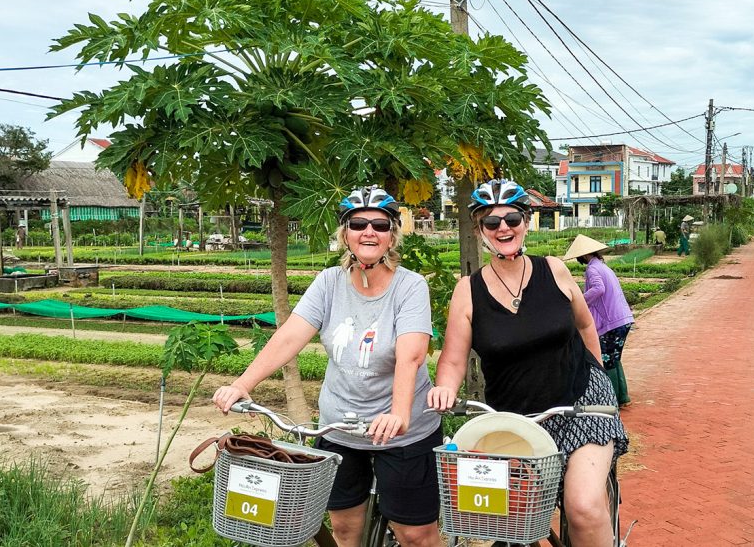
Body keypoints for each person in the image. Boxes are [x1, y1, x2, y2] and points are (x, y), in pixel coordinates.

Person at [213, 185, 442, 547]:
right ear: (345, 234)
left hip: (401, 431)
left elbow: (410, 354)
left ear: (392, 235)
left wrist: (399, 414)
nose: (369, 232)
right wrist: (243, 384)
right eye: (358, 224)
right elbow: (290, 337)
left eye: (380, 225)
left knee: (414, 534)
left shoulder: (410, 286)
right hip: (340, 426)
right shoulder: (328, 282)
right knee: (345, 529)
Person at [427, 179, 628, 547]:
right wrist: (445, 388)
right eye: (491, 222)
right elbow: (453, 360)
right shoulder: (468, 291)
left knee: (583, 507)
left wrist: (598, 376)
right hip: (515, 419)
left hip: (579, 403)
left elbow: (585, 325)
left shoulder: (554, 269)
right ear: (480, 230)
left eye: (512, 218)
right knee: (500, 519)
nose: (503, 227)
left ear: (526, 222)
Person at [563, 235, 634, 407]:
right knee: (614, 358)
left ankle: (612, 401)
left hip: (612, 322)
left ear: (583, 255)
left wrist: (579, 301)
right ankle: (623, 397)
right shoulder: (602, 266)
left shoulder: (592, 269)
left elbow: (598, 288)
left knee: (606, 359)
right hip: (622, 319)